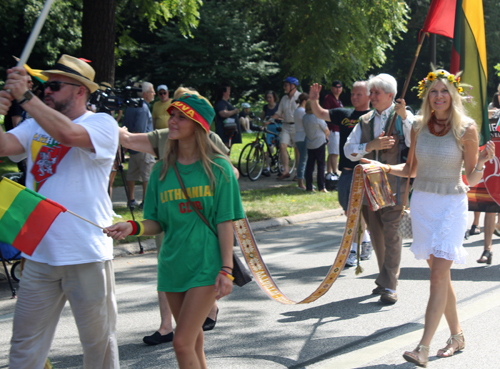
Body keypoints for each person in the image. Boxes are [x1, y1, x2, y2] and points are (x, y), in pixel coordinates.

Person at [362, 69, 495, 367]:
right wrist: (381, 167)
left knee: (437, 275)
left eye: (444, 91)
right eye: (433, 91)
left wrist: (483, 163)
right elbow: (411, 170)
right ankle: (457, 335)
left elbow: (471, 178)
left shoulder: (467, 129)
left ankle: (423, 347)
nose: (438, 96)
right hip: (423, 203)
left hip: (451, 206)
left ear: (453, 94)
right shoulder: (418, 126)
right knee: (440, 274)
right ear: (427, 95)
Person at [106, 92, 245, 369]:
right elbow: (157, 222)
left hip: (206, 265)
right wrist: (131, 226)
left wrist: (226, 270)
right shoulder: (160, 171)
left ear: (199, 125)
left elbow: (225, 221)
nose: (172, 121)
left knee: (180, 342)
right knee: (192, 342)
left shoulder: (220, 171)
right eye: (172, 115)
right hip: (171, 266)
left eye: (182, 117)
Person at [0, 54, 119, 368]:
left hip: (87, 252)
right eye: (43, 85)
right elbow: (2, 147)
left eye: (53, 85)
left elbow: (68, 136)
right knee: (25, 345)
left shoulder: (102, 123)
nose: (45, 91)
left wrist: (25, 97)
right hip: (37, 252)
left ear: (80, 91)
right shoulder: (34, 124)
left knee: (98, 346)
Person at [344, 73, 414, 304]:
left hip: (395, 185)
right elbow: (348, 151)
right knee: (377, 235)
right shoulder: (364, 120)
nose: (371, 96)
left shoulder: (404, 116)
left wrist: (404, 118)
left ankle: (390, 285)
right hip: (368, 188)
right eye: (371, 92)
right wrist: (370, 145)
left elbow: (416, 143)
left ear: (390, 96)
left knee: (393, 235)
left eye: (376, 93)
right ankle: (384, 281)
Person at [309, 81, 373, 265]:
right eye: (353, 94)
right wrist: (314, 100)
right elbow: (320, 113)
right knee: (348, 210)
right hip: (345, 173)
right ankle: (365, 239)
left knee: (356, 211)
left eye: (359, 94)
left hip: (362, 172)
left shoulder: (373, 117)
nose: (354, 97)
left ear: (369, 96)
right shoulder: (344, 113)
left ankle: (354, 250)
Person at [122, 81, 156, 208]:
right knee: (147, 174)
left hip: (132, 146)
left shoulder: (130, 106)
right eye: (152, 91)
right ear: (146, 94)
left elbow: (125, 125)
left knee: (131, 173)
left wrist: (127, 143)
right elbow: (140, 129)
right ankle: (145, 201)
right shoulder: (143, 106)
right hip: (144, 145)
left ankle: (131, 200)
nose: (154, 94)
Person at [270, 77, 301, 179]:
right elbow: (279, 112)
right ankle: (286, 171)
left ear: (293, 86)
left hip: (297, 126)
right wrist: (270, 119)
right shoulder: (284, 98)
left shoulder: (300, 97)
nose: (284, 87)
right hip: (286, 125)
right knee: (282, 146)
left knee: (298, 149)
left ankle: (298, 173)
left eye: (286, 85)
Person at [303, 100, 330, 192]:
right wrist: (326, 136)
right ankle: (321, 186)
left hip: (310, 144)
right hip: (319, 143)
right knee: (321, 165)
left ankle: (309, 186)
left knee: (310, 166)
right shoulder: (317, 117)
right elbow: (326, 130)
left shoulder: (305, 117)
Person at [322, 80, 344, 177]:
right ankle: (335, 172)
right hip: (332, 129)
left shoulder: (338, 100)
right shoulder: (329, 98)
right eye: (336, 87)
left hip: (338, 129)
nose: (338, 89)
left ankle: (329, 172)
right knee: (334, 152)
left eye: (339, 87)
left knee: (333, 152)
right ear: (332, 88)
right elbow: (325, 113)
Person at [214, 83, 242, 147]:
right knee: (224, 149)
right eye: (229, 91)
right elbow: (223, 113)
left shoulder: (227, 102)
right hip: (224, 132)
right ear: (224, 93)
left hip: (229, 131)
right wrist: (234, 111)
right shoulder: (221, 103)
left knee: (228, 149)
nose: (230, 93)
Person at [294, 93, 308, 189]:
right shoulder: (302, 111)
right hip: (303, 136)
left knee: (303, 160)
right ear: (304, 101)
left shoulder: (297, 110)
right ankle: (301, 183)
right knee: (303, 160)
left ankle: (303, 182)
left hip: (298, 136)